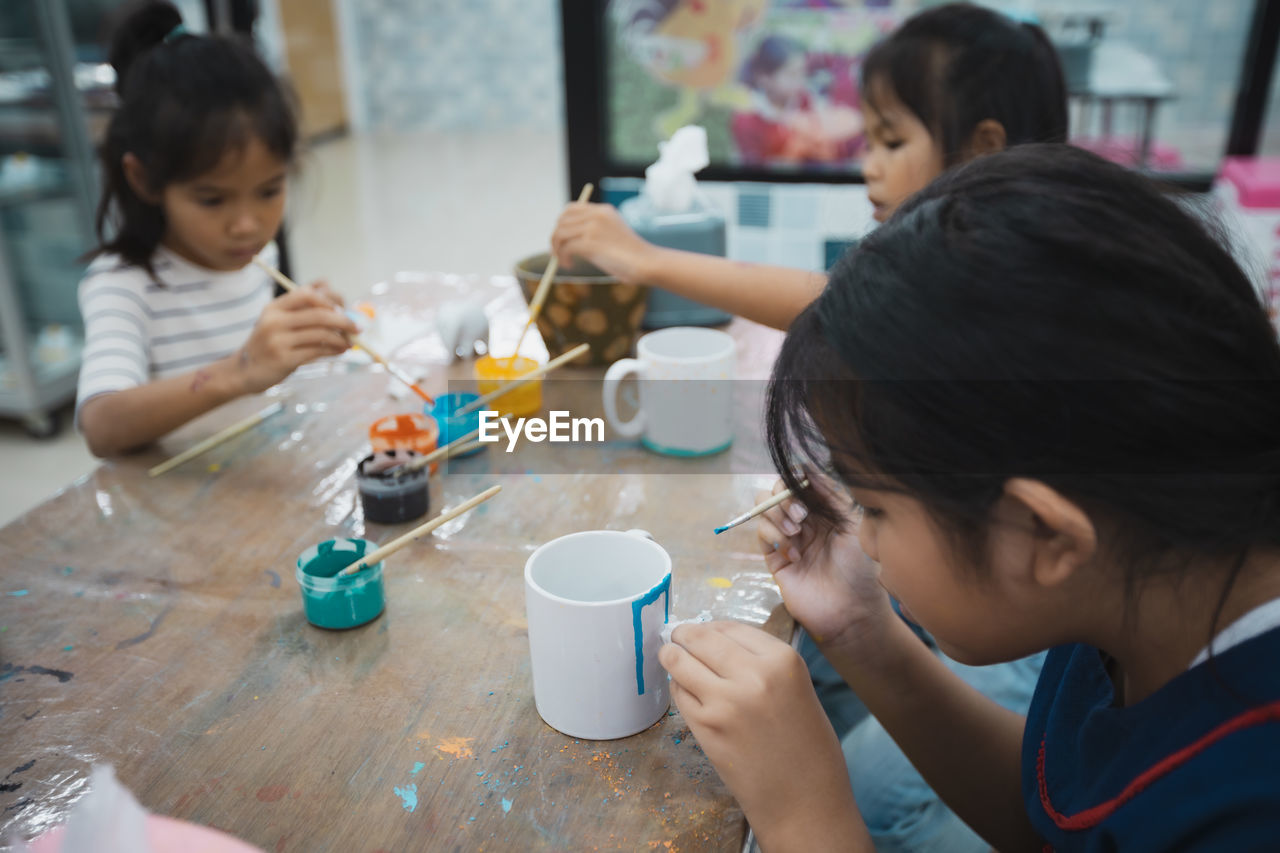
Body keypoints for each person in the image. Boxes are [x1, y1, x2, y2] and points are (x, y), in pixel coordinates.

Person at [661, 143, 1280, 852]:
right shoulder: (1146, 562)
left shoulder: (1251, 807)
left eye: (879, 509)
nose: (864, 535)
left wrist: (807, 817)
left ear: (1043, 535)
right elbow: (1048, 823)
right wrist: (862, 630)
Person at [551, 2, 1067, 331]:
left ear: (982, 149)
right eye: (868, 140)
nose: (869, 166)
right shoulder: (962, 246)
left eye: (891, 141)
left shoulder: (991, 275)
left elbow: (829, 310)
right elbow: (835, 300)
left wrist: (645, 259)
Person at [76, 0, 354, 458]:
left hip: (250, 483)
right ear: (144, 180)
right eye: (212, 199)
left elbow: (258, 385)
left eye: (269, 191)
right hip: (170, 508)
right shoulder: (123, 285)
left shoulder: (254, 259)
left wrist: (301, 335)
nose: (247, 225)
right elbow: (101, 426)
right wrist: (239, 371)